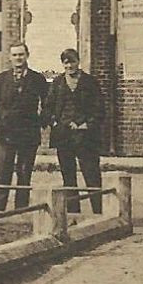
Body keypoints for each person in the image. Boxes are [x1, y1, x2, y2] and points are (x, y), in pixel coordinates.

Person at [0, 41, 46, 211]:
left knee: (24, 173)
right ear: (10, 57)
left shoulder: (37, 79)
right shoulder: (2, 79)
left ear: (27, 55)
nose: (18, 58)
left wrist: (41, 121)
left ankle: (22, 209)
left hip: (28, 133)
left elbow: (48, 103)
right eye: (14, 55)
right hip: (6, 134)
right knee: (2, 174)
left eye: (21, 54)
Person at [46, 48, 104, 214]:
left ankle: (98, 211)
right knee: (68, 176)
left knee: (91, 174)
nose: (69, 65)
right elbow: (48, 107)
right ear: (62, 64)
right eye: (66, 62)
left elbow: (99, 109)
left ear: (78, 62)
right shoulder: (57, 83)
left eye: (72, 61)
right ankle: (73, 213)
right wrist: (55, 123)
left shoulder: (90, 82)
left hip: (86, 136)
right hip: (64, 136)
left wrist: (87, 124)